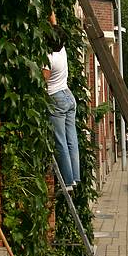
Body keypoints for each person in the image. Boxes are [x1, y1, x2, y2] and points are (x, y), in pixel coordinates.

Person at [43, 16, 80, 191]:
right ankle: (75, 176)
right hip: (68, 96)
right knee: (72, 140)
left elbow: (43, 83)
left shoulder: (48, 58)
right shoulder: (61, 49)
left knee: (60, 141)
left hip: (56, 98)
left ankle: (67, 181)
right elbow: (55, 23)